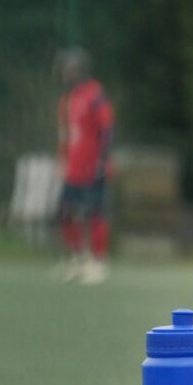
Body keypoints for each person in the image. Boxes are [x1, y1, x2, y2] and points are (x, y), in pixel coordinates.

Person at [55, 48, 115, 285]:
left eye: (70, 69)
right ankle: (79, 258)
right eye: (65, 70)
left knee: (94, 213)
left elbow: (107, 129)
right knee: (65, 213)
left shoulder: (96, 95)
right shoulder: (66, 100)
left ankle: (98, 263)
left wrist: (103, 159)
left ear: (81, 70)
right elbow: (64, 135)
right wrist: (61, 160)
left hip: (93, 166)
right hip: (73, 168)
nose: (66, 74)